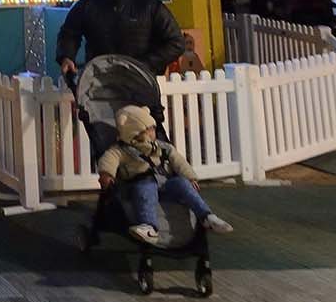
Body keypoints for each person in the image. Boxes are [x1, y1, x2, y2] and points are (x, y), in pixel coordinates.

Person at [96, 104, 233, 245]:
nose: (153, 131)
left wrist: (190, 177)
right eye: (149, 129)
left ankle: (207, 216)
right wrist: (107, 174)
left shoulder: (162, 147)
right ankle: (149, 226)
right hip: (139, 186)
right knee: (146, 186)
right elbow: (109, 159)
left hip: (165, 185)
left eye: (153, 128)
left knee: (182, 183)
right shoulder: (121, 150)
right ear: (135, 132)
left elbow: (178, 161)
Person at [57, 0, 185, 79]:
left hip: (140, 83)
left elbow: (176, 43)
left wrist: (142, 65)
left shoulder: (149, 6)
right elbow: (68, 34)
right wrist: (67, 56)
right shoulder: (85, 6)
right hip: (99, 82)